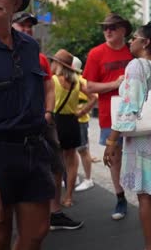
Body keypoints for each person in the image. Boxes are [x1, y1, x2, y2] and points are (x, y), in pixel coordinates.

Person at [103, 21, 151, 250]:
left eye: (134, 37)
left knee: (145, 196)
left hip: (144, 140)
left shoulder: (137, 65)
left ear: (145, 42)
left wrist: (111, 140)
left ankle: (150, 246)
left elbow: (129, 104)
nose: (130, 41)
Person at [0, 0, 55, 249]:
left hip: (33, 149)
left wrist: (48, 114)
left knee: (38, 231)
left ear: (16, 2)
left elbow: (43, 87)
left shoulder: (30, 46)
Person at [11, 11, 84, 230]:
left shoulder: (38, 56)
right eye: (22, 25)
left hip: (43, 122)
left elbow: (48, 87)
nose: (27, 29)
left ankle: (55, 213)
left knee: (56, 164)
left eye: (29, 26)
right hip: (10, 125)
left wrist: (48, 113)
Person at [83, 13, 133, 220]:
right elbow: (89, 87)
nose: (108, 31)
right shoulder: (96, 54)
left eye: (112, 27)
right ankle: (120, 197)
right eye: (105, 28)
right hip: (109, 117)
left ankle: (150, 200)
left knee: (142, 156)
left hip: (138, 114)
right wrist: (115, 84)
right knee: (114, 158)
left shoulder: (133, 51)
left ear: (123, 30)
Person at [51, 49, 96, 208]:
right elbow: (94, 97)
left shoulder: (53, 81)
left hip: (56, 122)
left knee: (56, 162)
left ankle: (54, 200)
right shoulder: (77, 81)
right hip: (72, 122)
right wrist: (82, 111)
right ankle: (69, 197)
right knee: (71, 161)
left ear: (58, 64)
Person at [73, 56, 98, 192]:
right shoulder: (72, 80)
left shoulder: (80, 81)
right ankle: (74, 176)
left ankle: (88, 179)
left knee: (82, 150)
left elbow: (94, 98)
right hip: (73, 121)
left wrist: (82, 111)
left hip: (80, 121)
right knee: (72, 150)